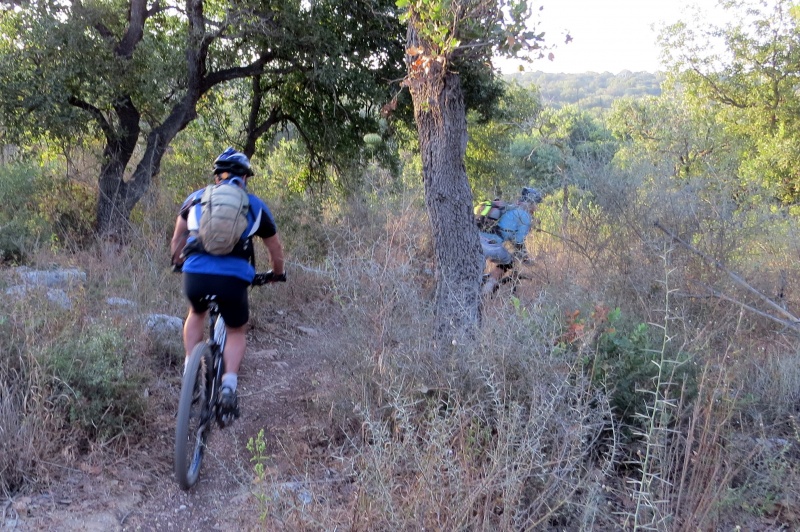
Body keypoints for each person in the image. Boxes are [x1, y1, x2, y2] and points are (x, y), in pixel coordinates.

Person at [170, 147, 286, 425]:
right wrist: (276, 273)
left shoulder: (195, 198)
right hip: (234, 279)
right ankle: (228, 387)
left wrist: (177, 262)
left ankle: (190, 372)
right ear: (244, 177)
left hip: (195, 273)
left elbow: (177, 241)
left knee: (196, 313)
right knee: (236, 329)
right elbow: (275, 250)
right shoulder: (254, 205)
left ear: (217, 176)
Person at [479, 186, 542, 295]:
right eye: (536, 204)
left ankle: (483, 280)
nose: (536, 208)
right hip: (490, 245)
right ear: (531, 203)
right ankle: (487, 289)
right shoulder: (525, 217)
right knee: (508, 262)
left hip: (477, 237)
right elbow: (519, 242)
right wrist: (525, 258)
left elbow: (510, 236)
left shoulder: (511, 208)